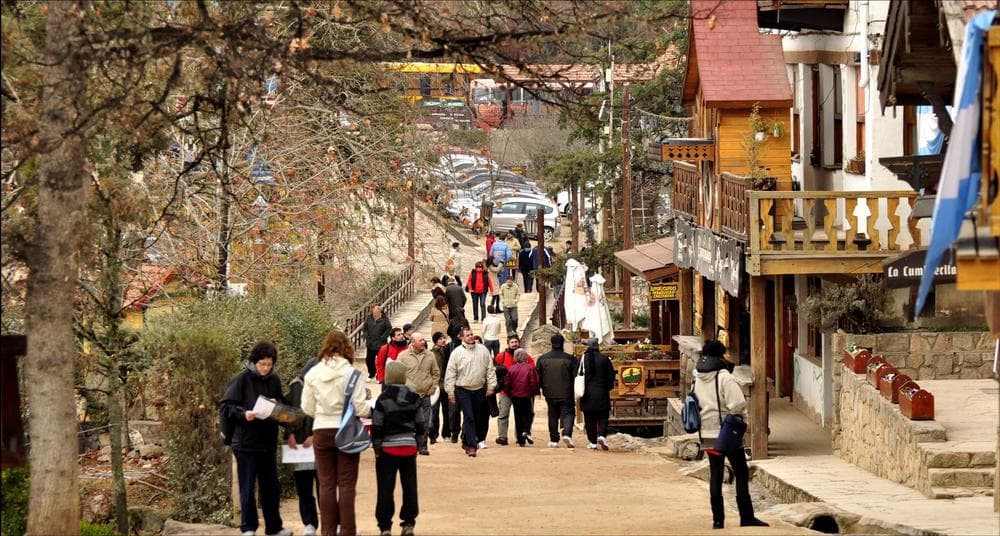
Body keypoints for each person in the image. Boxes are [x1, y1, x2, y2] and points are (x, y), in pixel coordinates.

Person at [301, 331, 371, 536]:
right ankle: (347, 530)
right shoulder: (352, 374)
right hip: (346, 430)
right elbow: (361, 408)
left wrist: (321, 414)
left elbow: (306, 407)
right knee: (347, 483)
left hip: (321, 429)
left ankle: (328, 531)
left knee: (326, 484)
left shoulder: (313, 373)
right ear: (347, 348)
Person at [694, 340, 769, 529]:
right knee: (741, 472)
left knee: (716, 473)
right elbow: (737, 404)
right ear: (719, 355)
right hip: (727, 433)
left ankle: (718, 520)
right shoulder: (724, 377)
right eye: (725, 352)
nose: (727, 355)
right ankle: (746, 516)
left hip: (707, 432)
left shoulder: (697, 377)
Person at [220, 341, 293, 536]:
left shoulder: (274, 380)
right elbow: (226, 406)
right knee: (247, 487)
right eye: (262, 364)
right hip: (245, 443)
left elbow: (282, 404)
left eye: (269, 364)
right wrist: (244, 414)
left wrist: (278, 405)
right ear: (254, 362)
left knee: (271, 487)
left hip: (267, 442)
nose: (266, 368)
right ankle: (249, 527)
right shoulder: (241, 379)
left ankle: (274, 527)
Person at [372, 360, 424, 536]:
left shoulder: (383, 398)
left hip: (388, 448)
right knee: (410, 486)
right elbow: (421, 424)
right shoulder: (414, 397)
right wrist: (418, 443)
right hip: (408, 447)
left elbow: (377, 425)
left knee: (385, 487)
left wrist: (377, 447)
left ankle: (385, 526)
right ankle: (408, 523)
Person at [443, 327, 497, 457]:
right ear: (461, 337)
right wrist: (450, 391)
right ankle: (472, 446)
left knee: (476, 417)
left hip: (479, 389)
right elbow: (450, 373)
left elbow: (490, 369)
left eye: (472, 334)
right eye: (468, 335)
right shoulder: (457, 353)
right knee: (469, 417)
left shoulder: (483, 350)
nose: (471, 336)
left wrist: (491, 386)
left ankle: (466, 440)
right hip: (463, 389)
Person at [286, 357, 321, 536]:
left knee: (325, 486)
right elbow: (289, 413)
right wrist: (289, 434)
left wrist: (316, 436)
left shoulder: (326, 386)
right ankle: (309, 523)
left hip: (321, 443)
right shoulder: (296, 386)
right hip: (301, 447)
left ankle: (331, 521)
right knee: (304, 486)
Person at [397, 332, 439, 456]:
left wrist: (432, 388)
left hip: (425, 395)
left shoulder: (430, 355)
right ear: (413, 342)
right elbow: (398, 374)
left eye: (423, 340)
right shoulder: (403, 356)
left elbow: (436, 373)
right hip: (409, 396)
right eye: (420, 340)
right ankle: (410, 445)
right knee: (409, 421)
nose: (423, 342)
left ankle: (423, 446)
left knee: (425, 422)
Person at [535, 334, 577, 449]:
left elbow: (538, 376)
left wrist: (540, 389)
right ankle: (567, 433)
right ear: (562, 343)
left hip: (549, 392)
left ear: (551, 343)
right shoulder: (570, 359)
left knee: (552, 415)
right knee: (568, 413)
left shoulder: (542, 359)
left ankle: (554, 440)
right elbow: (575, 376)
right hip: (567, 392)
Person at [493, 335, 534, 446]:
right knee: (503, 414)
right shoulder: (501, 356)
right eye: (512, 342)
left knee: (522, 415)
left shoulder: (527, 357)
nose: (514, 344)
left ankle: (520, 436)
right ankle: (502, 437)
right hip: (505, 392)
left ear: (519, 343)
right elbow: (494, 370)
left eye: (516, 342)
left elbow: (532, 371)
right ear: (508, 344)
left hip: (521, 392)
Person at [578, 338, 616, 450]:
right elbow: (611, 376)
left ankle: (592, 442)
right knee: (603, 416)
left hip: (587, 393)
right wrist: (607, 388)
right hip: (602, 392)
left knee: (589, 418)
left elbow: (577, 373)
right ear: (597, 346)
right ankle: (602, 435)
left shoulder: (583, 359)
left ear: (588, 346)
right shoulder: (605, 359)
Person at [505, 349, 540, 447]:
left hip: (515, 395)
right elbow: (534, 382)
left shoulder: (511, 369)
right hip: (527, 395)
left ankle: (520, 441)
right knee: (529, 414)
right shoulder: (530, 368)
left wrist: (509, 393)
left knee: (518, 417)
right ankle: (526, 430)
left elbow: (507, 383)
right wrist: (535, 392)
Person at [428, 332, 453, 444]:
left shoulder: (448, 351)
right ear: (435, 341)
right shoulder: (431, 354)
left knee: (447, 412)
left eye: (444, 338)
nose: (443, 340)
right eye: (440, 339)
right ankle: (433, 435)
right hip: (436, 386)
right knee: (434, 411)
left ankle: (446, 434)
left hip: (446, 385)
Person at [364, 305, 393, 381]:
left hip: (381, 344)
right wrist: (366, 336)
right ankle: (371, 374)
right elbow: (365, 328)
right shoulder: (369, 318)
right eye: (373, 313)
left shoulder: (385, 319)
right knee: (369, 360)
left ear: (380, 312)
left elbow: (389, 329)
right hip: (370, 343)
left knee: (381, 360)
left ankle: (379, 375)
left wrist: (383, 337)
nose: (374, 314)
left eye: (376, 313)